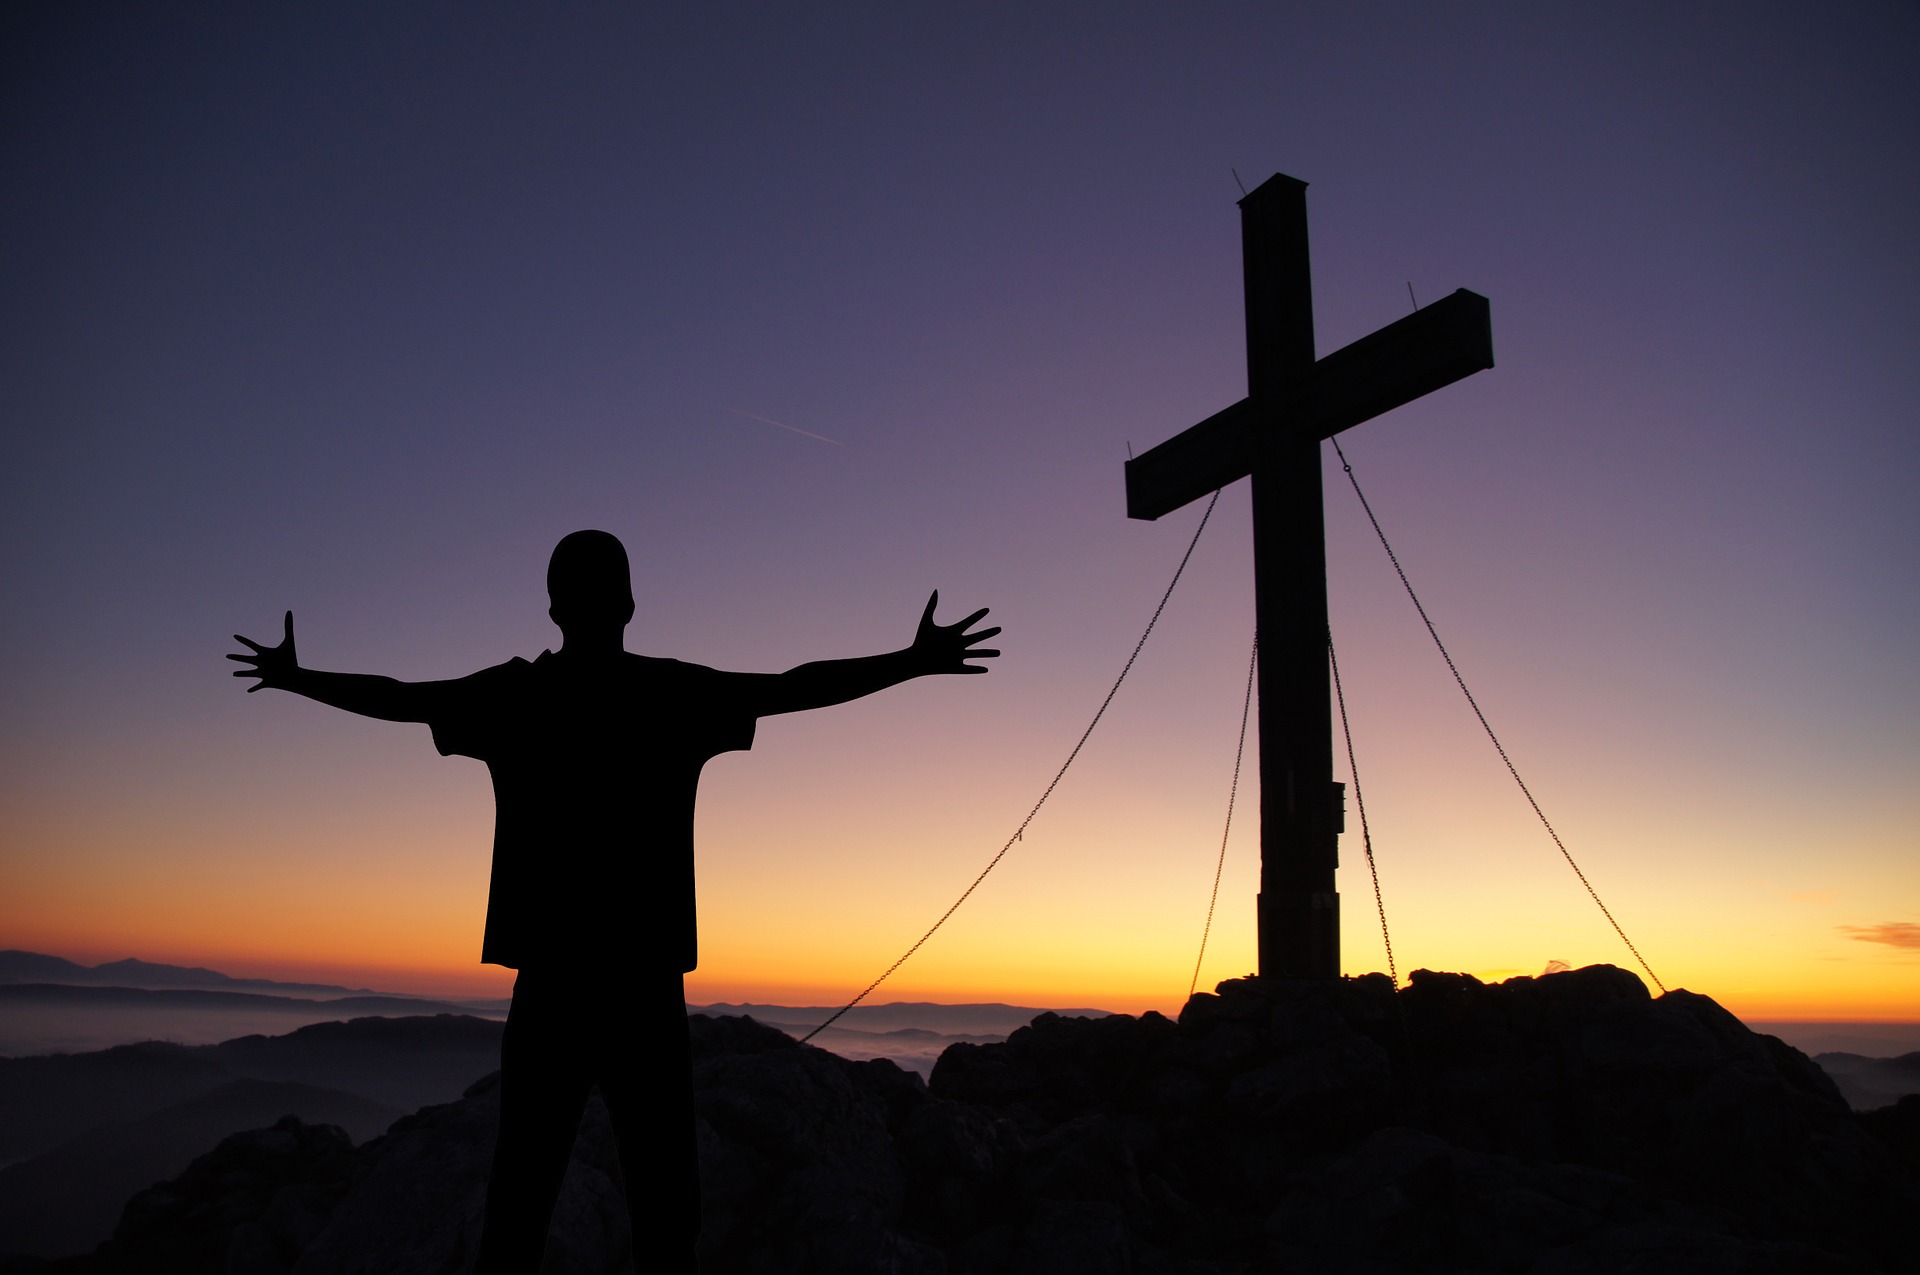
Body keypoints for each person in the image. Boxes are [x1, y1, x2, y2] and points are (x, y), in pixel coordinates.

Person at [228, 529, 999, 1271]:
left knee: (520, 1202)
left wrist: (300, 678)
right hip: (644, 983)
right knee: (666, 1208)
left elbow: (399, 698)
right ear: (630, 605)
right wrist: (912, 660)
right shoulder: (670, 694)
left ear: (554, 609)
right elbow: (795, 686)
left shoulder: (517, 696)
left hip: (551, 983)